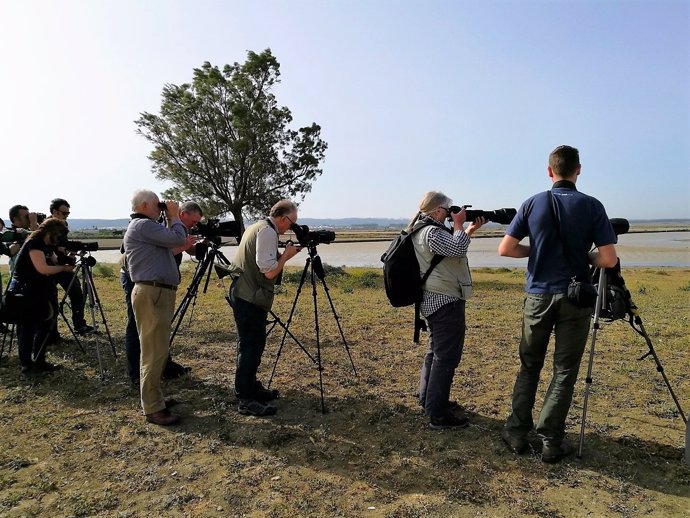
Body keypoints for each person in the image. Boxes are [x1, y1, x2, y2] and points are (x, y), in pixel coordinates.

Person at [498, 145, 618, 463]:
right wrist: (583, 256)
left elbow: (506, 249)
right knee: (564, 370)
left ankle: (516, 432)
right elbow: (607, 258)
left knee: (529, 366)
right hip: (576, 298)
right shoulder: (592, 206)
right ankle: (551, 440)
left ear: (550, 171)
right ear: (578, 170)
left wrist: (536, 251)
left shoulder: (532, 203)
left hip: (538, 295)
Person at [408, 191, 485, 429]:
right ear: (438, 210)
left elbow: (450, 249)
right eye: (449, 208)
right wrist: (461, 225)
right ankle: (438, 414)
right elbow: (458, 249)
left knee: (435, 352)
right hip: (445, 301)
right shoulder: (431, 231)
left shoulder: (422, 229)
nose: (452, 213)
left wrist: (467, 230)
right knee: (446, 357)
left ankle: (430, 401)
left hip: (435, 300)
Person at [229, 199, 302, 416]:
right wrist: (286, 257)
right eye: (291, 222)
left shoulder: (256, 226)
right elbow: (269, 272)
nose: (291, 227)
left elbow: (262, 263)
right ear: (282, 218)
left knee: (254, 344)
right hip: (249, 296)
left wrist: (281, 256)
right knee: (250, 346)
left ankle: (250, 386)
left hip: (245, 292)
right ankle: (245, 398)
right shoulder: (268, 232)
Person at [123, 189, 187, 426]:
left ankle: (154, 399)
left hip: (156, 291)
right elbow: (178, 238)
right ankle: (152, 408)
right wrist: (174, 217)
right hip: (152, 293)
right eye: (157, 205)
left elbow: (170, 246)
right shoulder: (142, 225)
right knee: (153, 351)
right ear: (145, 205)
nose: (160, 208)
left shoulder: (146, 228)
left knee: (157, 350)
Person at [120, 201, 200, 388]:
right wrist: (182, 243)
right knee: (136, 324)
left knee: (160, 325)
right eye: (193, 221)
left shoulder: (176, 226)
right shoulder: (152, 225)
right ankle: (136, 374)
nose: (193, 226)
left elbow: (181, 246)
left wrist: (195, 246)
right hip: (137, 277)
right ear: (181, 214)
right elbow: (157, 254)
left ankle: (164, 365)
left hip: (158, 282)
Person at [8, 219, 75, 378]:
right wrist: (63, 269)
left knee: (45, 325)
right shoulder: (35, 243)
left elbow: (52, 262)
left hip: (39, 291)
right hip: (25, 292)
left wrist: (68, 257)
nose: (59, 240)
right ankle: (27, 366)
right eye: (58, 236)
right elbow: (43, 268)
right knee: (28, 329)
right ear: (50, 233)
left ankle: (39, 360)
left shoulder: (45, 245)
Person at [47, 198, 92, 337]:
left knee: (77, 293)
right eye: (64, 213)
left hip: (63, 266)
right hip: (49, 267)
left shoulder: (64, 225)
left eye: (68, 213)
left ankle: (79, 325)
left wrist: (70, 252)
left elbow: (64, 245)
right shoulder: (46, 226)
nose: (66, 216)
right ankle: (51, 334)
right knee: (50, 300)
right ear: (54, 212)